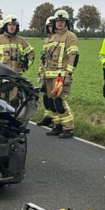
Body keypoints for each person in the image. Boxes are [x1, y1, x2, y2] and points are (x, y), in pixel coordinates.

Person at [0, 14, 35, 108]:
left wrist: (24, 67)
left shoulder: (21, 40)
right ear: (6, 26)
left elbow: (31, 53)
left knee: (14, 103)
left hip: (15, 78)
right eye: (10, 24)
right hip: (0, 79)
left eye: (14, 25)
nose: (12, 27)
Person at [41, 10, 78, 139]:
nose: (60, 23)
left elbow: (73, 57)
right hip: (49, 76)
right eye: (58, 21)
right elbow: (46, 58)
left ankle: (68, 128)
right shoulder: (52, 37)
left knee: (60, 102)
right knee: (52, 102)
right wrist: (43, 75)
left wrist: (68, 74)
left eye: (62, 21)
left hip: (61, 76)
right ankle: (57, 126)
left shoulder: (71, 36)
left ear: (66, 22)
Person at [37, 16, 56, 127]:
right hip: (46, 72)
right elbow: (43, 58)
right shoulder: (46, 40)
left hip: (54, 73)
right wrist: (41, 73)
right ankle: (48, 117)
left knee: (54, 98)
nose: (50, 28)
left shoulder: (57, 39)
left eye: (51, 26)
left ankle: (56, 120)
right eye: (48, 26)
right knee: (46, 97)